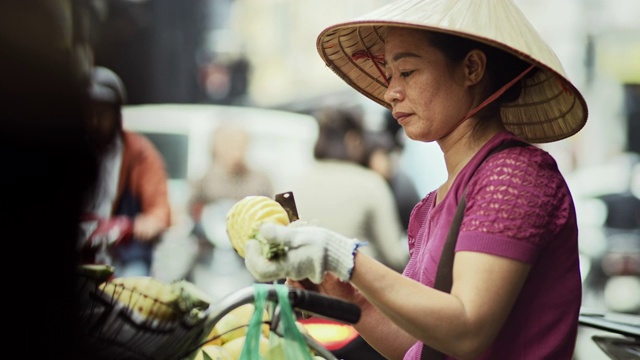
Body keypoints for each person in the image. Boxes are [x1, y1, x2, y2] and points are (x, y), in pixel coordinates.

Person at [242, 0, 588, 359]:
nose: (391, 91)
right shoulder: (434, 204)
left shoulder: (513, 175)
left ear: (471, 68)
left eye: (407, 72)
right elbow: (419, 344)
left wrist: (344, 257)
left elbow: (468, 328)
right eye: (389, 75)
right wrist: (346, 295)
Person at [288, 106, 408, 272]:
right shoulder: (370, 183)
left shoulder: (291, 186)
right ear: (353, 140)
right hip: (361, 291)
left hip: (307, 292)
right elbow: (394, 255)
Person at [80, 66, 171, 277]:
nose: (94, 121)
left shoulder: (140, 152)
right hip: (80, 249)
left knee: (133, 293)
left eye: (102, 113)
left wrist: (149, 222)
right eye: (88, 113)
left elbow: (159, 207)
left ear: (116, 114)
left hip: (122, 252)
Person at [188, 123, 274, 296]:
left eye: (240, 144)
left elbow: (272, 213)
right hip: (210, 258)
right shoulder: (204, 180)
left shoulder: (260, 179)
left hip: (249, 259)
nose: (236, 149)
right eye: (229, 143)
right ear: (217, 147)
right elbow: (190, 214)